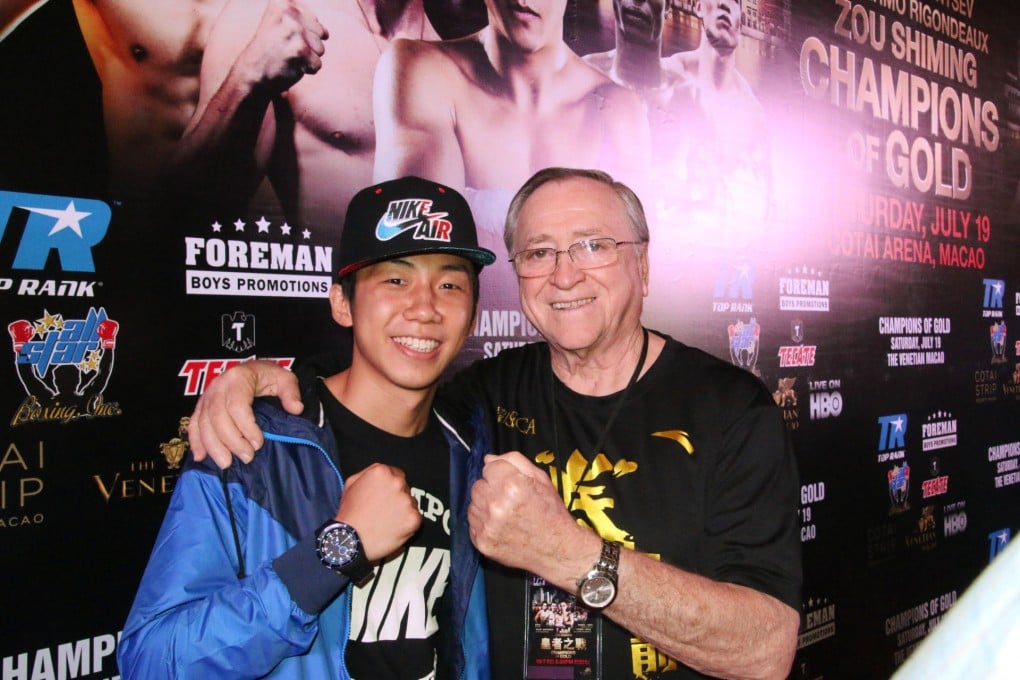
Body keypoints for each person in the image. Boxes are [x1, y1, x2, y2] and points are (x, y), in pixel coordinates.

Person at [188, 167, 803, 679]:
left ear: (642, 265)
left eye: (594, 245)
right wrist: (260, 376)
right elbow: (384, 378)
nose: (565, 274)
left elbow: (766, 650)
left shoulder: (729, 410)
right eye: (539, 253)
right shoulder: (481, 399)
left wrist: (573, 557)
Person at [118, 176, 496, 678]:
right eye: (395, 280)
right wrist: (338, 549)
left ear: (471, 314)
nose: (425, 308)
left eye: (449, 285)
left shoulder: (475, 452)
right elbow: (152, 660)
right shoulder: (252, 444)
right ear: (342, 302)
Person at [161, 0, 442, 231]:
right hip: (328, 292)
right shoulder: (270, 16)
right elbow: (179, 218)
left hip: (438, 293)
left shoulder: (467, 39)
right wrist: (248, 80)